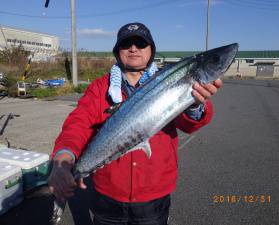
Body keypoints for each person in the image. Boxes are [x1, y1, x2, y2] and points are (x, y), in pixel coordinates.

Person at [48, 22, 222, 225]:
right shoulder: (100, 87)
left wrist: (194, 104)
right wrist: (64, 157)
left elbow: (189, 124)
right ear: (117, 51)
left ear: (151, 50)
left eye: (140, 43)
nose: (133, 48)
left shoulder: (168, 80)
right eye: (126, 44)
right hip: (108, 195)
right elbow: (78, 123)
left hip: (154, 194)